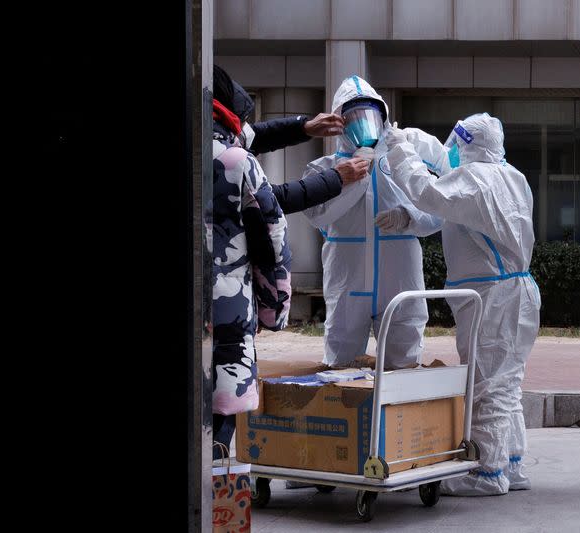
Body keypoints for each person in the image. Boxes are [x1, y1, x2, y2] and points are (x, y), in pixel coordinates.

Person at [382, 113, 541, 495]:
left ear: (465, 143)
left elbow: (429, 193)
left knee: (485, 384)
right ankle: (511, 464)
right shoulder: (508, 176)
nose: (448, 150)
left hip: (491, 298)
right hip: (515, 294)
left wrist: (399, 148)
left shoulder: (476, 180)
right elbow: (450, 214)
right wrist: (407, 219)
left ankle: (486, 473)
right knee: (506, 384)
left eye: (453, 143)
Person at [301, 75, 450, 369]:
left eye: (368, 115)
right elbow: (317, 214)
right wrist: (352, 179)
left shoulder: (402, 160)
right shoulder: (325, 170)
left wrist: (409, 219)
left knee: (404, 370)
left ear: (383, 117)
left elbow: (441, 209)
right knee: (340, 371)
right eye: (353, 116)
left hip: (399, 281)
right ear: (340, 122)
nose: (362, 123)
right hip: (347, 283)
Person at [210, 68, 292, 458]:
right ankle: (213, 480)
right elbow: (272, 237)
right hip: (226, 306)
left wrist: (303, 127)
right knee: (222, 406)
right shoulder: (237, 160)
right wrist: (274, 304)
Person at [213, 65, 369, 214]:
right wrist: (336, 178)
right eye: (242, 122)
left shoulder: (213, 137)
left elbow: (254, 136)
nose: (246, 129)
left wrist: (302, 127)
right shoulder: (227, 158)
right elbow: (270, 199)